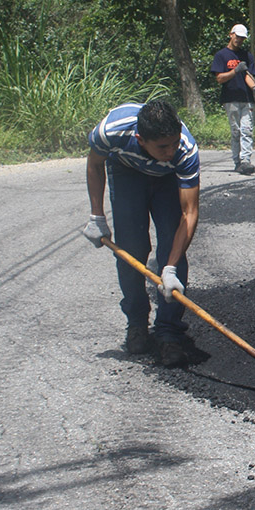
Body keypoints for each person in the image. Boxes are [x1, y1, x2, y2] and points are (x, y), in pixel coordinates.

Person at [82, 99, 201, 367]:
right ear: (140, 139)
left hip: (168, 181)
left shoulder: (185, 149)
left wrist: (169, 268)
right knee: (131, 251)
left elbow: (189, 213)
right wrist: (96, 216)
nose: (171, 150)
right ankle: (136, 323)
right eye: (162, 146)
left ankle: (169, 332)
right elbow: (94, 164)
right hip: (126, 172)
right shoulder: (111, 131)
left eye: (173, 142)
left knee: (173, 247)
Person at [210, 22, 255, 175]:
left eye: (242, 38)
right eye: (237, 37)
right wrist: (235, 71)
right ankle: (237, 162)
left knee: (247, 130)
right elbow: (219, 78)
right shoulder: (221, 55)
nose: (239, 40)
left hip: (246, 98)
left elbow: (248, 76)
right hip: (230, 98)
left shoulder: (247, 56)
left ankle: (246, 160)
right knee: (236, 131)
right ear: (231, 35)